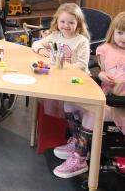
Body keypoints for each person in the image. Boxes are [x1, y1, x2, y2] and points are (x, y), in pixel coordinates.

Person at [52, 12, 125, 178]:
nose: (123, 38)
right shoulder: (106, 49)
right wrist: (100, 76)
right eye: (120, 32)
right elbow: (103, 73)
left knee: (93, 111)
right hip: (105, 95)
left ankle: (80, 159)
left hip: (119, 106)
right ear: (113, 32)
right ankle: (78, 142)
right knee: (70, 102)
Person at [32, 3, 90, 74]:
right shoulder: (55, 36)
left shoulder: (82, 41)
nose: (66, 25)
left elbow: (82, 64)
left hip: (78, 76)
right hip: (59, 74)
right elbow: (36, 43)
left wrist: (62, 69)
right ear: (57, 21)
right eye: (62, 21)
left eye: (71, 23)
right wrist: (41, 49)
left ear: (78, 24)